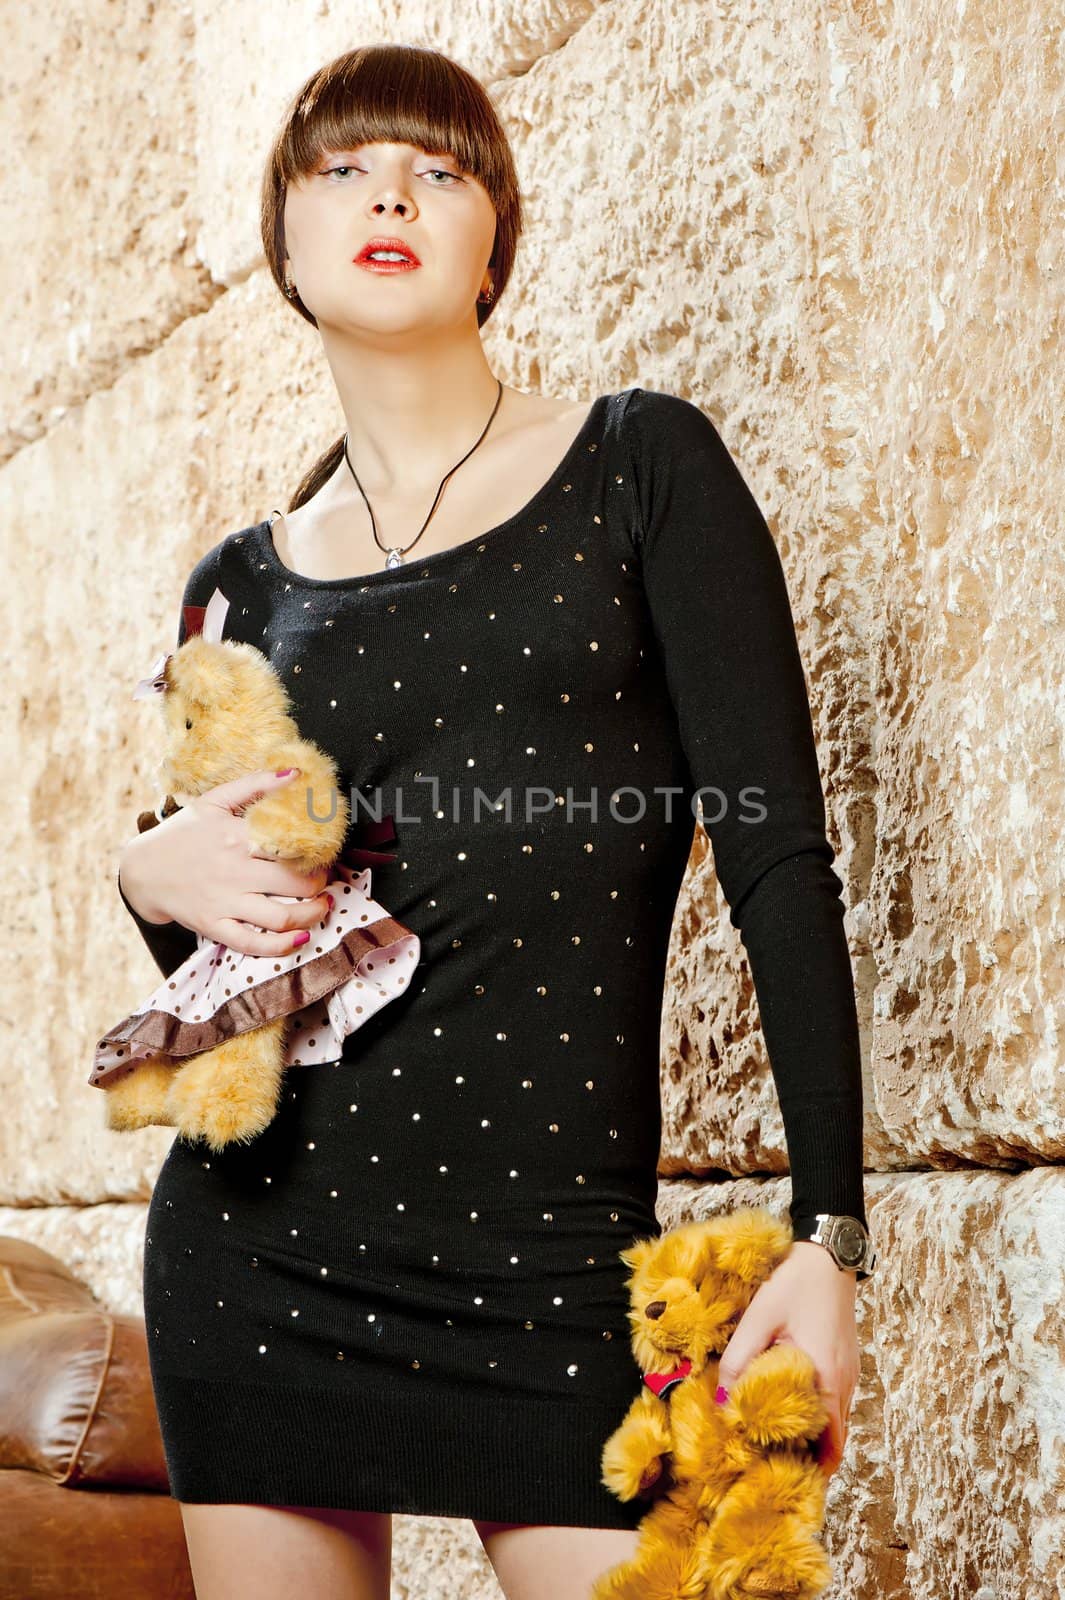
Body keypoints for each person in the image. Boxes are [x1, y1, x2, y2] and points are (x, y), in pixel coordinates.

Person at [115, 42, 871, 1600]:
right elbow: (248, 953)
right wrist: (145, 866)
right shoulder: (238, 583)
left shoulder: (638, 466)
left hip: (553, 1273)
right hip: (255, 1268)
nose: (389, 187)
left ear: (493, 243)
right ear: (286, 239)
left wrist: (831, 1230)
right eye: (342, 167)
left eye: (438, 167)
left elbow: (776, 853)